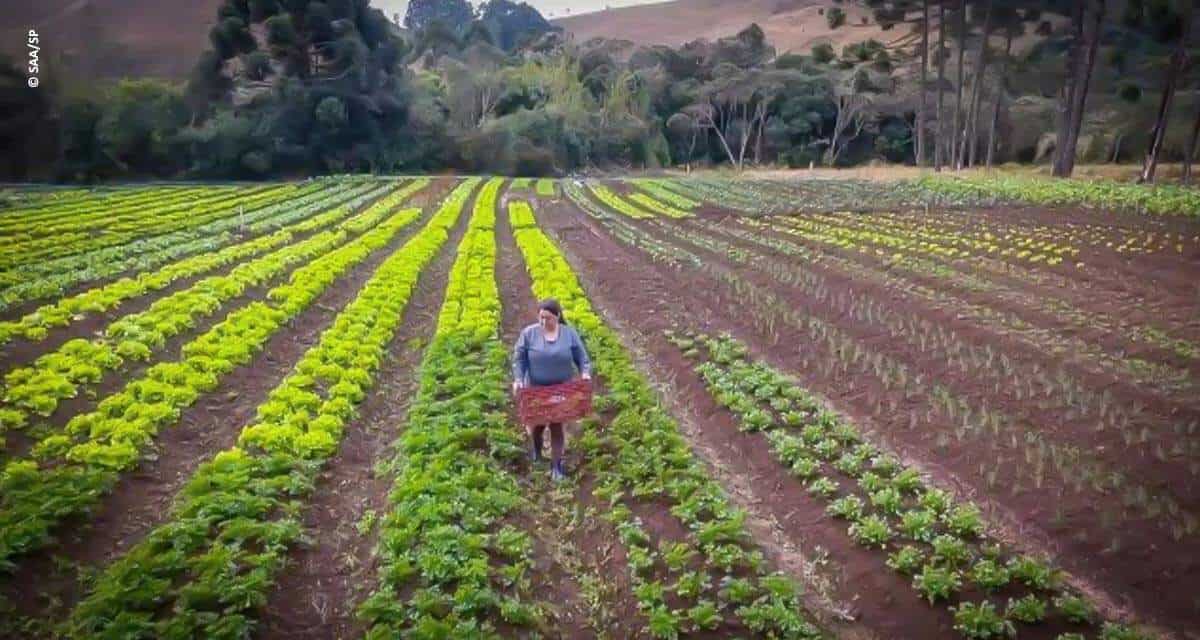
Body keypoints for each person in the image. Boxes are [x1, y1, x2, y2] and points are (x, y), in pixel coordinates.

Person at [511, 298, 592, 481]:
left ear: (557, 316)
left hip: (561, 389)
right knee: (537, 425)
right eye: (540, 318)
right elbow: (519, 359)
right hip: (536, 389)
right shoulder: (529, 334)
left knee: (557, 425)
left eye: (547, 318)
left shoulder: (568, 334)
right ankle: (537, 452)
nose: (543, 322)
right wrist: (518, 379)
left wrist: (585, 373)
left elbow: (582, 357)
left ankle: (556, 466)